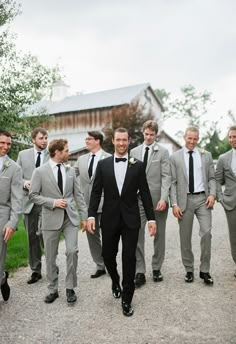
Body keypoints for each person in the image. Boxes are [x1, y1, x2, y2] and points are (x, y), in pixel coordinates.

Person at [87, 128, 156, 317]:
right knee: (107, 254)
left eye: (125, 140)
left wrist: (151, 218)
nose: (121, 143)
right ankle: (115, 280)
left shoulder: (138, 166)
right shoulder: (103, 165)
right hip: (109, 218)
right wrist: (91, 215)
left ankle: (127, 297)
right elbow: (95, 192)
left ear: (129, 141)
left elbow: (145, 193)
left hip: (131, 219)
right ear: (113, 140)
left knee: (129, 257)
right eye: (118, 140)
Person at [29, 139, 87, 305]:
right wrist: (53, 202)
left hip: (70, 218)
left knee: (72, 251)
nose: (69, 153)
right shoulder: (40, 172)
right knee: (50, 256)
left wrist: (84, 217)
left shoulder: (70, 171)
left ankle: (70, 287)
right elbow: (32, 195)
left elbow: (79, 195)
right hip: (50, 219)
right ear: (57, 152)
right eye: (66, 151)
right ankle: (53, 288)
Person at [170, 126, 216, 285]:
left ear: (198, 139)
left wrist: (212, 194)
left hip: (203, 199)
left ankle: (205, 271)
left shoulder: (206, 155)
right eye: (189, 138)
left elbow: (212, 178)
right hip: (184, 201)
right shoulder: (175, 157)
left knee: (206, 233)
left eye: (195, 139)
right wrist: (174, 204)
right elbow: (173, 183)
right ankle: (189, 270)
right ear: (184, 137)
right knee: (185, 237)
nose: (192, 141)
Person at [130, 120, 171, 287]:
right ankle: (140, 271)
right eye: (146, 134)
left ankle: (156, 268)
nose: (148, 137)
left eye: (151, 135)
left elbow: (166, 176)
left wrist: (163, 198)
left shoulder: (163, 152)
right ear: (142, 132)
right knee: (137, 234)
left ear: (156, 135)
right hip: (138, 200)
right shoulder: (133, 151)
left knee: (159, 235)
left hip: (157, 200)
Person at [74, 131, 110, 278]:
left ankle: (109, 263)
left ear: (98, 141)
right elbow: (71, 174)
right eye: (86, 139)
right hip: (88, 205)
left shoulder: (109, 158)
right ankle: (100, 265)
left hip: (106, 203)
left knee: (108, 236)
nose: (86, 141)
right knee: (92, 235)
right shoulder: (81, 159)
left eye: (89, 139)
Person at [17, 127, 49, 284]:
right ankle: (36, 270)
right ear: (33, 140)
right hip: (29, 203)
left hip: (46, 202)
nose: (44, 141)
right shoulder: (22, 155)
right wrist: (24, 182)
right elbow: (17, 176)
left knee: (46, 235)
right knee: (32, 238)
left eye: (46, 138)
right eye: (41, 138)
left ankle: (51, 266)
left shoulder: (52, 155)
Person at [0, 130, 23, 301]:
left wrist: (12, 222)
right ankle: (2, 278)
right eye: (2, 143)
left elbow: (17, 199)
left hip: (3, 216)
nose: (6, 147)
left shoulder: (14, 168)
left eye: (8, 144)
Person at [215, 125, 236, 277]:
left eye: (235, 137)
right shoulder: (223, 158)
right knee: (234, 236)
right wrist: (221, 198)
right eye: (230, 137)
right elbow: (217, 180)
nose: (232, 140)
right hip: (231, 203)